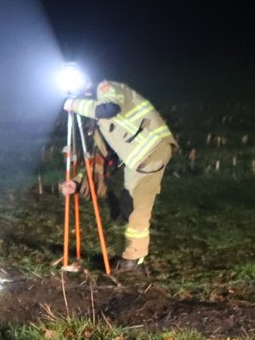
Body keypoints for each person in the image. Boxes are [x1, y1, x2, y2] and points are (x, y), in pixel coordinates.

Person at [60, 79, 178, 274]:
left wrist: (75, 105)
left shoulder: (106, 87)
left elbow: (109, 108)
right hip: (139, 157)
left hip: (151, 149)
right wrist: (77, 182)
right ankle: (136, 258)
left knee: (137, 208)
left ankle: (133, 260)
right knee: (127, 206)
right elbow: (101, 160)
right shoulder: (98, 123)